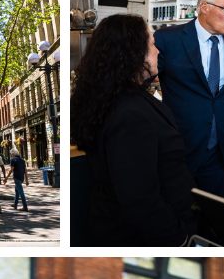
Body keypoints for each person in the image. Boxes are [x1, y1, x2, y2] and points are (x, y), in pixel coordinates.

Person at [71, 13, 197, 247]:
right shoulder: (130, 114)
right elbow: (140, 199)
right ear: (131, 52)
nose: (158, 50)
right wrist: (179, 238)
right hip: (146, 237)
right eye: (151, 43)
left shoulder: (111, 100)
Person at [153, 0, 224, 200]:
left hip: (223, 150)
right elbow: (143, 82)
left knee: (217, 217)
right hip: (181, 147)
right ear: (204, 8)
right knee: (181, 214)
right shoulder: (167, 39)